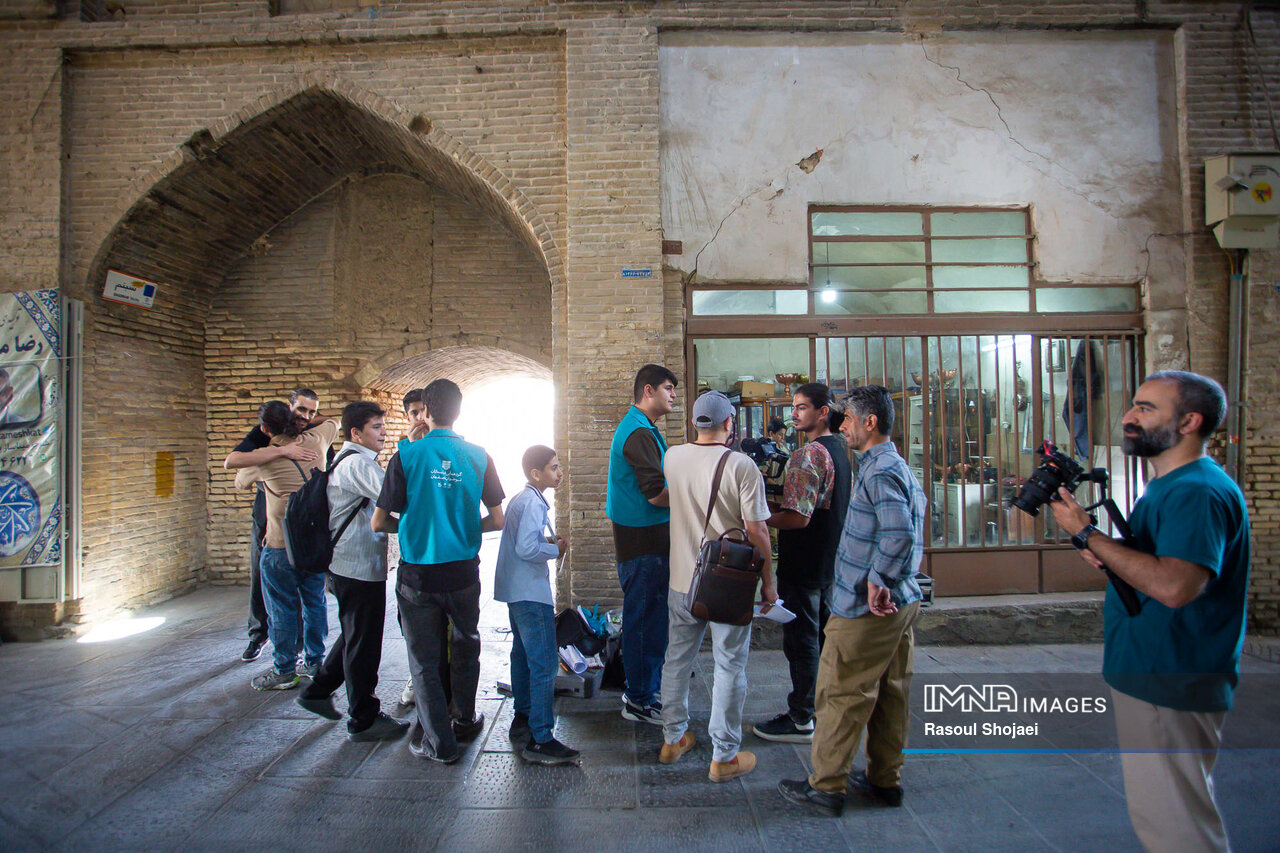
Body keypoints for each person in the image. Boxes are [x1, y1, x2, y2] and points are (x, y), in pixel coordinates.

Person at [1049, 371, 1249, 853]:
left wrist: (1086, 533)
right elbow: (1155, 565)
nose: (1129, 417)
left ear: (1189, 422)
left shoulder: (1195, 492)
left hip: (1171, 674)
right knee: (1170, 817)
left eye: (1146, 409)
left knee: (1177, 829)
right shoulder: (1173, 485)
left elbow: (1175, 586)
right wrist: (1108, 552)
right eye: (1134, 405)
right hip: (1158, 671)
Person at [778, 385, 927, 817]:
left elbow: (900, 533)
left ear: (870, 422)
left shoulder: (879, 471)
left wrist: (879, 578)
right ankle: (885, 780)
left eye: (848, 419)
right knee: (891, 693)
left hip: (867, 607)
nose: (842, 427)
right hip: (901, 602)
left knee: (841, 693)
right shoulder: (894, 465)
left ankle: (826, 787)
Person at [372, 378, 505, 764]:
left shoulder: (407, 456)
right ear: (459, 412)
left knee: (424, 658)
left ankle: (438, 742)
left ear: (426, 411)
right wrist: (465, 529)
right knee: (466, 644)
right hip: (463, 572)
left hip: (419, 575)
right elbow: (498, 519)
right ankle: (464, 718)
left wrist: (411, 527)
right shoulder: (479, 456)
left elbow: (379, 521)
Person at [658, 391, 776, 782]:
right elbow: (758, 531)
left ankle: (673, 739)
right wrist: (769, 583)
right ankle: (723, 756)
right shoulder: (742, 466)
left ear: (694, 422)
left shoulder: (672, 457)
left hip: (682, 580)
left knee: (677, 659)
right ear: (730, 423)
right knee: (728, 665)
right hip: (727, 584)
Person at [295, 402, 408, 742]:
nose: (383, 433)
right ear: (356, 433)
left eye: (383, 426)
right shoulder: (357, 463)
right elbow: (397, 499)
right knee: (364, 643)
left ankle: (318, 690)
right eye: (376, 427)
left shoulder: (350, 459)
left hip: (348, 564)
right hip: (356, 567)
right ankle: (363, 718)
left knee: (354, 633)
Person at [754, 383, 851, 744]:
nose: (793, 414)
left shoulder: (808, 453)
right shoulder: (840, 449)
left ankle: (800, 718)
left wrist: (760, 519)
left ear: (823, 412)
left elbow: (798, 518)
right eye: (793, 407)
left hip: (804, 562)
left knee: (802, 642)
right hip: (828, 561)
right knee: (822, 638)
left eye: (802, 407)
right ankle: (822, 709)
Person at [233, 399, 341, 690]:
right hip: (314, 543)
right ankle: (315, 661)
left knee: (281, 609)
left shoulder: (263, 458)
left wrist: (269, 451)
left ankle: (284, 670)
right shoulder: (317, 440)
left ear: (264, 428)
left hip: (280, 546)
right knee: (315, 603)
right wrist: (308, 421)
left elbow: (239, 481)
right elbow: (335, 421)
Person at [494, 445, 580, 765]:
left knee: (522, 656)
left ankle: (524, 718)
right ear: (536, 473)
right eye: (554, 468)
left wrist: (548, 542)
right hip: (530, 594)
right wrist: (555, 550)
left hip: (516, 592)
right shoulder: (532, 502)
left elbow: (525, 541)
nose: (560, 473)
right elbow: (527, 548)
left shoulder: (523, 498)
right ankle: (541, 738)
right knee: (543, 663)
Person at [224, 388, 322, 664]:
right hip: (270, 514)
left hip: (305, 517)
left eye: (312, 412)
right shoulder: (263, 434)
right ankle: (259, 634)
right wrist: (280, 452)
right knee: (264, 574)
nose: (306, 416)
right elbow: (233, 460)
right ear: (290, 409)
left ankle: (298, 651)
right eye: (301, 410)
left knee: (303, 589)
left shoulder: (312, 433)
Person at [606, 364, 677, 725]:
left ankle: (643, 691)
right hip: (643, 545)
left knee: (649, 620)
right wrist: (696, 496)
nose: (674, 395)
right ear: (648, 391)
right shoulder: (637, 432)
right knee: (645, 623)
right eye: (668, 388)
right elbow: (655, 494)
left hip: (647, 541)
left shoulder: (643, 427)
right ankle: (639, 699)